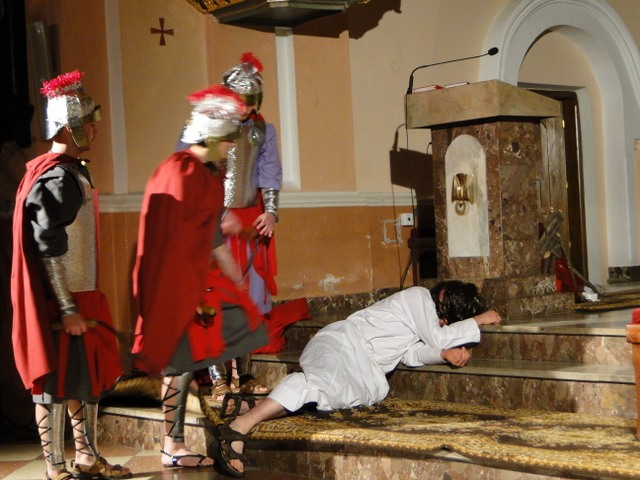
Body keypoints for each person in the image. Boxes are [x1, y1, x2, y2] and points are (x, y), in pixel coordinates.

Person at [214, 281, 502, 477]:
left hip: (363, 367)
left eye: (448, 323)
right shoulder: (418, 296)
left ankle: (251, 407)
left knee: (328, 398)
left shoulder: (427, 322)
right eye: (447, 319)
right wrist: (478, 321)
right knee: (316, 383)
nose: (443, 324)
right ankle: (238, 427)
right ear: (443, 300)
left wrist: (443, 354)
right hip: (343, 344)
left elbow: (411, 354)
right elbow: (437, 335)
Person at [131, 84, 270, 468]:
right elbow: (173, 238)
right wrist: (186, 293)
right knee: (180, 361)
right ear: (211, 135)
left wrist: (234, 278)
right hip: (174, 286)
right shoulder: (180, 171)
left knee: (232, 329)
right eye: (227, 139)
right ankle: (172, 444)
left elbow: (209, 234)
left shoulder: (204, 173)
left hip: (193, 282)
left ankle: (176, 440)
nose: (231, 146)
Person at [11, 70, 131, 480]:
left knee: (85, 379)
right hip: (64, 299)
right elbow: (47, 244)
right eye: (88, 122)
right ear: (69, 126)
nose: (94, 129)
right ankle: (55, 467)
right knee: (54, 384)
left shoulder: (67, 170)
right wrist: (66, 307)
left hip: (82, 294)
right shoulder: (58, 176)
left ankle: (86, 456)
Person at [207, 51, 283, 401]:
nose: (250, 108)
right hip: (214, 226)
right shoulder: (209, 127)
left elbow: (269, 173)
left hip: (249, 223)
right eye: (244, 100)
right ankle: (217, 376)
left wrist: (271, 212)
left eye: (254, 100)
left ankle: (246, 372)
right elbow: (200, 173)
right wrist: (217, 213)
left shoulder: (263, 129)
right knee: (217, 298)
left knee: (250, 299)